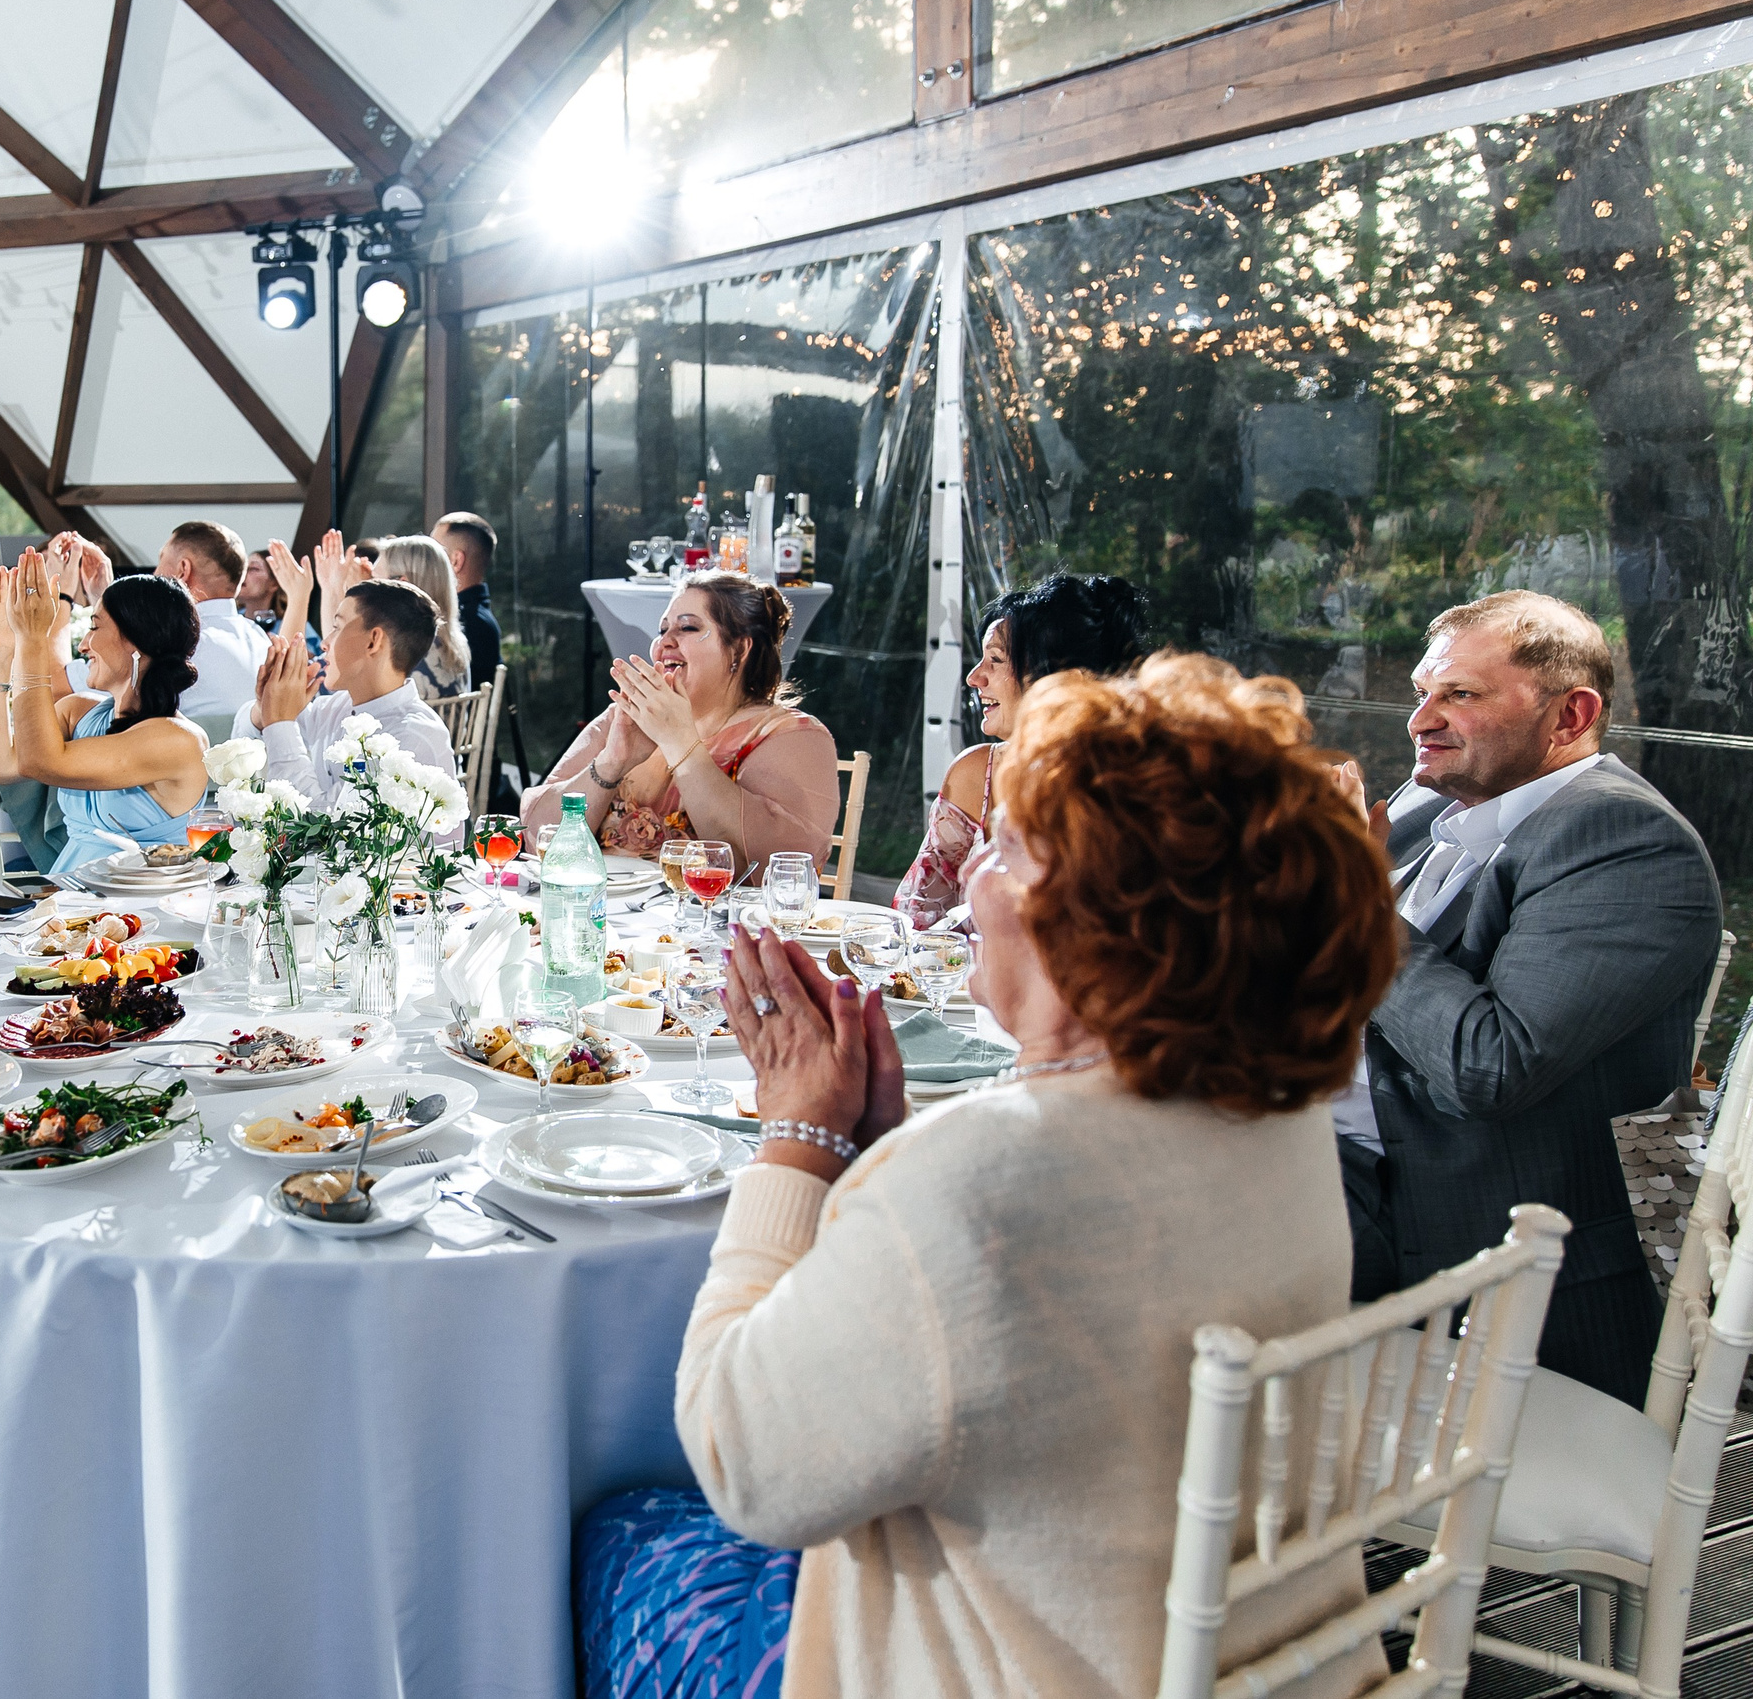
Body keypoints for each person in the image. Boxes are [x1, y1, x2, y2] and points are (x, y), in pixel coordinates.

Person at [581, 654, 1397, 1699]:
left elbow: (744, 1463)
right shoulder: (1278, 1119)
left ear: (1099, 915)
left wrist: (796, 1140)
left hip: (1006, 1670)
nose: (969, 877)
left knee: (616, 1528)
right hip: (1247, 1661)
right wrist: (876, 1154)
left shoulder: (981, 1168)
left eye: (1005, 847)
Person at [1333, 590, 1721, 1406]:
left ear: (1571, 713)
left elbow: (1491, 1067)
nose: (1421, 721)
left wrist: (1357, 911)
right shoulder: (1425, 807)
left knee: (1143, 1224)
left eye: (1460, 696)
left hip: (1455, 1233)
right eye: (1422, 695)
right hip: (1331, 1146)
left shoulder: (1626, 842)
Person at [522, 573, 837, 870]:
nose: (664, 643)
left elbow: (771, 869)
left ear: (740, 648)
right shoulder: (628, 715)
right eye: (662, 630)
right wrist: (610, 764)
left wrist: (680, 744)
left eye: (687, 628)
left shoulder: (791, 736)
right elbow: (538, 837)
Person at [894, 572, 1148, 928]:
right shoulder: (975, 775)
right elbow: (918, 915)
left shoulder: (1133, 786)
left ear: (1056, 676)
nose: (974, 678)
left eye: (995, 660)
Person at [0, 538, 210, 875]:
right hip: (71, 896)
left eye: (94, 627)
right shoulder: (80, 710)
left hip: (141, 908)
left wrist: (33, 640)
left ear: (136, 642)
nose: (83, 644)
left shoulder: (178, 740)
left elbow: (42, 762)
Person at [233, 576, 458, 819]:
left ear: (373, 641)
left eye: (337, 627)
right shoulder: (334, 708)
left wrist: (280, 723)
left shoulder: (412, 740)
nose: (325, 643)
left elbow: (324, 830)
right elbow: (242, 747)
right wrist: (264, 706)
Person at [150, 520, 270, 725]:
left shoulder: (168, 640)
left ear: (182, 570)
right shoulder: (261, 640)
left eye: (162, 559)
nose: (155, 573)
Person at [369, 534, 473, 698]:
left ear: (401, 585)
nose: (368, 588)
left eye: (374, 581)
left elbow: (341, 698)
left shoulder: (399, 649)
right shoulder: (457, 642)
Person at [434, 510, 503, 689]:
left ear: (456, 561)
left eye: (433, 553)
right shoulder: (478, 618)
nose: (427, 560)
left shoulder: (463, 622)